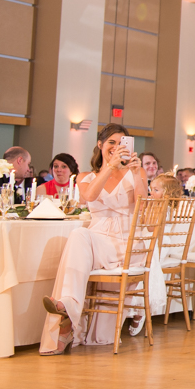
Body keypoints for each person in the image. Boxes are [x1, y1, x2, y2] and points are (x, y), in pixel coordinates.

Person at [39, 124, 150, 354]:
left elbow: (142, 208)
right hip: (99, 237)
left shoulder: (136, 172)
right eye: (112, 142)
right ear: (100, 145)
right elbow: (89, 196)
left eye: (122, 143)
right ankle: (68, 306)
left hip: (127, 242)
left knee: (80, 237)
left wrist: (138, 174)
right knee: (79, 234)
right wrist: (110, 167)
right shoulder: (84, 176)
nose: (117, 147)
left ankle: (67, 319)